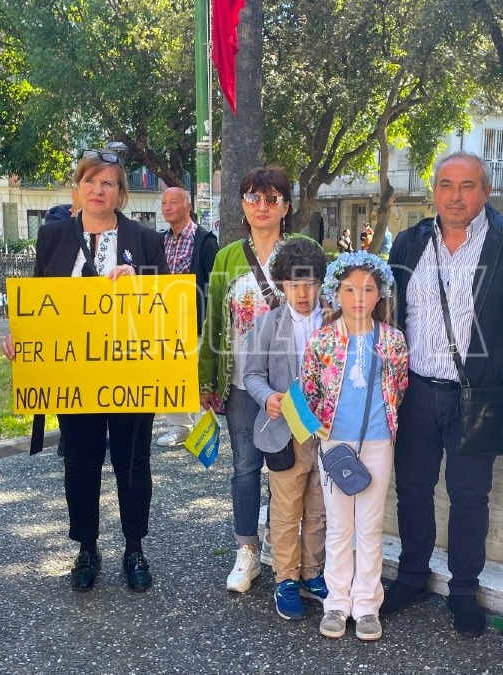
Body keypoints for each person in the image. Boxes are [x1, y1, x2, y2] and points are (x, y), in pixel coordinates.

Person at [381, 151, 503, 636]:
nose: (455, 196)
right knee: (412, 489)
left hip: (480, 396)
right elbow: (391, 310)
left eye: (467, 186)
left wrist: (498, 360)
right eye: (446, 185)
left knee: (470, 495)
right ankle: (412, 576)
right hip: (416, 393)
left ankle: (464, 591)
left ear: (486, 191)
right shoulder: (409, 242)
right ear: (434, 191)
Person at [2, 150, 167, 594]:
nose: (98, 190)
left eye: (108, 183)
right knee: (80, 462)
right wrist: (21, 335)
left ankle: (134, 547)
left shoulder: (146, 241)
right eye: (90, 181)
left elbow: (168, 306)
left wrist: (141, 279)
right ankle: (87, 548)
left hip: (132, 372)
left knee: (133, 462)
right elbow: (38, 297)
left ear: (121, 193)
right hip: (72, 373)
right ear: (77, 188)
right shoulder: (53, 236)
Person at [198, 165, 315, 593]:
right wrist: (207, 378)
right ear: (242, 205)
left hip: (297, 383)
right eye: (252, 198)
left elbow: (322, 310)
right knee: (246, 466)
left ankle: (284, 545)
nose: (261, 206)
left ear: (286, 205)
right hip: (243, 384)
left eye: (271, 199)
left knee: (292, 467)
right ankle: (246, 549)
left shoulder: (304, 249)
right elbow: (214, 322)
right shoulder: (227, 257)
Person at [302, 252, 408, 641]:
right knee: (338, 526)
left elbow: (399, 387)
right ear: (336, 292)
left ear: (381, 293)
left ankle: (366, 605)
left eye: (367, 289)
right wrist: (319, 428)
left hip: (378, 442)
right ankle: (336, 602)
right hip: (334, 443)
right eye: (349, 289)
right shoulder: (322, 339)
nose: (359, 298)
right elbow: (309, 387)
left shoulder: (393, 340)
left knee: (369, 526)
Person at [241, 238, 329, 621]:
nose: (303, 293)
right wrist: (267, 399)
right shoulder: (266, 324)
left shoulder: (336, 322)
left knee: (319, 509)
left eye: (310, 284)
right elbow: (252, 375)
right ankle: (286, 577)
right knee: (286, 509)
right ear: (282, 285)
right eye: (294, 285)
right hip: (285, 433)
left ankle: (313, 572)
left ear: (321, 282)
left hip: (327, 434)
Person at [157, 186, 219, 447]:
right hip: (165, 319)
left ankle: (203, 430)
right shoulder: (159, 240)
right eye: (164, 203)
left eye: (174, 202)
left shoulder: (205, 240)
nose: (168, 207)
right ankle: (179, 427)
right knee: (171, 373)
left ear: (188, 206)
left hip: (196, 318)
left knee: (198, 373)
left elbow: (213, 283)